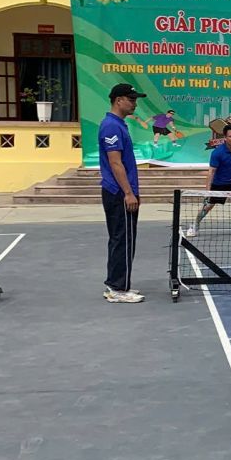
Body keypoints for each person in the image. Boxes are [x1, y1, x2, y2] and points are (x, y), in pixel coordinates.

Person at [99, 83, 145, 303]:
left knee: (122, 239)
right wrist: (128, 192)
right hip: (118, 192)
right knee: (122, 240)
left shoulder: (119, 124)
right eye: (131, 99)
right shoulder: (111, 126)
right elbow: (115, 162)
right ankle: (117, 289)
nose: (135, 104)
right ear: (119, 100)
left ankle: (116, 283)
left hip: (122, 191)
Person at [185, 126, 231, 240]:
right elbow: (211, 172)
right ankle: (195, 225)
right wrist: (208, 191)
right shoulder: (217, 153)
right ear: (225, 137)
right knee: (208, 207)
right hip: (219, 184)